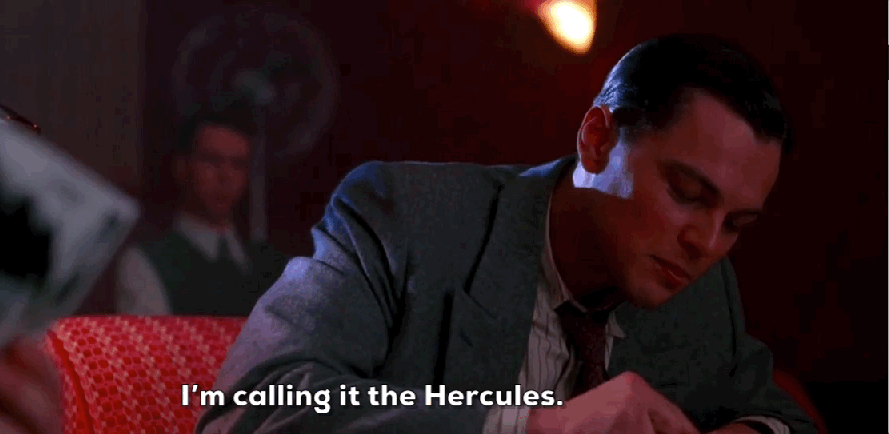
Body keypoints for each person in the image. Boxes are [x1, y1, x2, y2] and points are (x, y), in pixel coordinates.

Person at [197, 34, 818, 434]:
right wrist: (534, 425)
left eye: (736, 225)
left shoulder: (701, 290)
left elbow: (782, 415)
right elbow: (257, 404)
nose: (707, 243)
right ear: (597, 140)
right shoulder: (405, 219)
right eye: (686, 193)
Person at [116, 100, 288, 316]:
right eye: (212, 161)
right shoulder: (148, 263)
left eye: (238, 164)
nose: (226, 176)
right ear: (182, 167)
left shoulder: (274, 266)